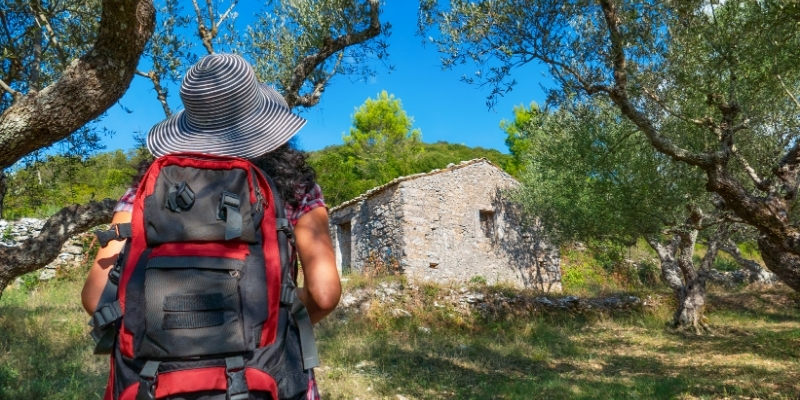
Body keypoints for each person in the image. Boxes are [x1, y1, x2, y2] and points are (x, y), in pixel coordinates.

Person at [81, 53, 341, 399]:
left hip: (156, 382)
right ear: (261, 118)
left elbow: (96, 297)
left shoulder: (146, 190)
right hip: (262, 376)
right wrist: (275, 323)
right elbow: (324, 293)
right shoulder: (296, 189)